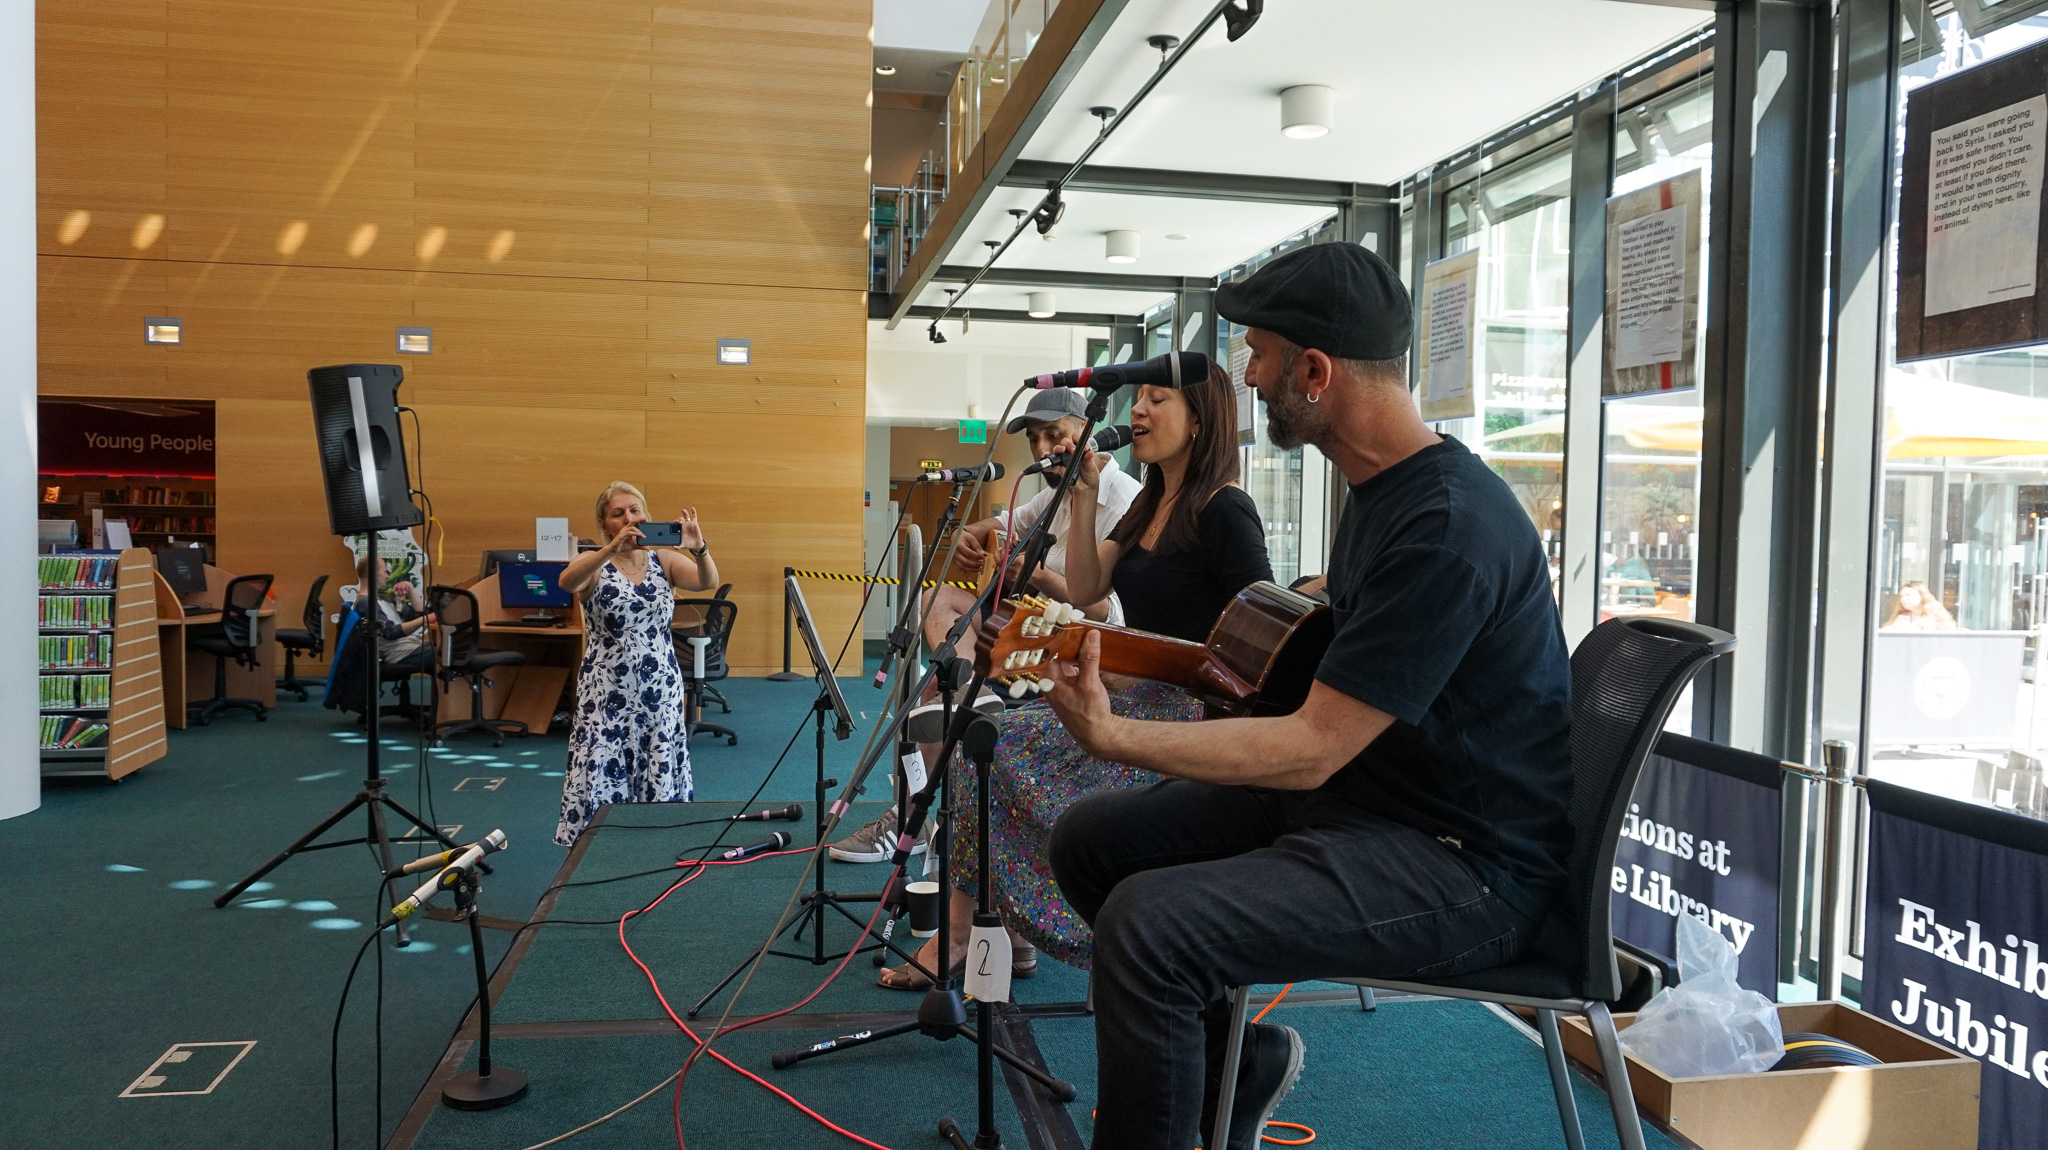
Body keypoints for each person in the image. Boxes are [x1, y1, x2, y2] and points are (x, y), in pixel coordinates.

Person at [1041, 243, 1573, 1150]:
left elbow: (1313, 746)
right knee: (1090, 843)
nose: (1246, 377)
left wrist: (1113, 733)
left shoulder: (1445, 525)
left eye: (1259, 355)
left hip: (1465, 868)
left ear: (1316, 372)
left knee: (1149, 927)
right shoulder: (1380, 492)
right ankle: (1230, 1071)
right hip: (1368, 809)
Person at [876, 360, 1272, 989]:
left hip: (1182, 720)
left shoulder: (1225, 510)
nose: (1137, 410)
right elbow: (1088, 586)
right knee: (981, 745)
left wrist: (1164, 675)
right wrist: (1083, 495)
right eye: (1138, 397)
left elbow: (1260, 635)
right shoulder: (1150, 504)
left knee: (997, 753)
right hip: (1130, 700)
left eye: (1157, 399)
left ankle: (990, 930)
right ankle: (989, 929)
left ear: (1200, 420)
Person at [829, 387, 1144, 864]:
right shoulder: (1053, 495)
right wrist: (969, 537)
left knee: (936, 693)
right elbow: (997, 524)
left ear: (1086, 431)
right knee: (936, 643)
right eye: (1034, 439)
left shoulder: (1123, 500)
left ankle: (917, 815)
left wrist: (1038, 577)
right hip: (1030, 635)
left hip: (1078, 655)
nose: (1041, 449)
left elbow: (1116, 614)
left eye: (1053, 435)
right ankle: (917, 803)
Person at [553, 482, 720, 846]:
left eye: (635, 510)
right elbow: (567, 581)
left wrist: (699, 548)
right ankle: (595, 853)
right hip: (606, 696)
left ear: (645, 515)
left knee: (657, 769)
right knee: (601, 771)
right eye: (618, 513)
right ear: (605, 524)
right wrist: (610, 549)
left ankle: (653, 849)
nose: (629, 518)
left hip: (659, 692)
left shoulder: (664, 560)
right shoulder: (594, 562)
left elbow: (708, 581)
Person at [1883, 581, 1957, 630]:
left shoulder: (1937, 616)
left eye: (1908, 595)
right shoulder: (1903, 617)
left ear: (1922, 596)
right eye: (1901, 596)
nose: (1903, 599)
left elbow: (1949, 635)